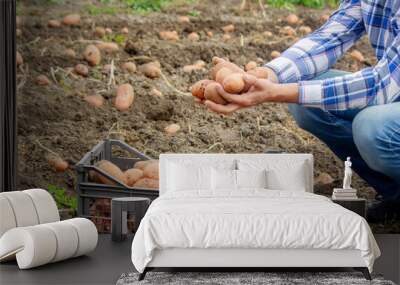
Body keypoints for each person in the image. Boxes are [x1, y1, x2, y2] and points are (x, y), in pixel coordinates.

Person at [202, 0, 400, 223]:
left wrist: (279, 92)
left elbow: (380, 86)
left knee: (373, 127)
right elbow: (330, 38)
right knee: (308, 99)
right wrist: (266, 75)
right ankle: (396, 195)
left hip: (388, 87)